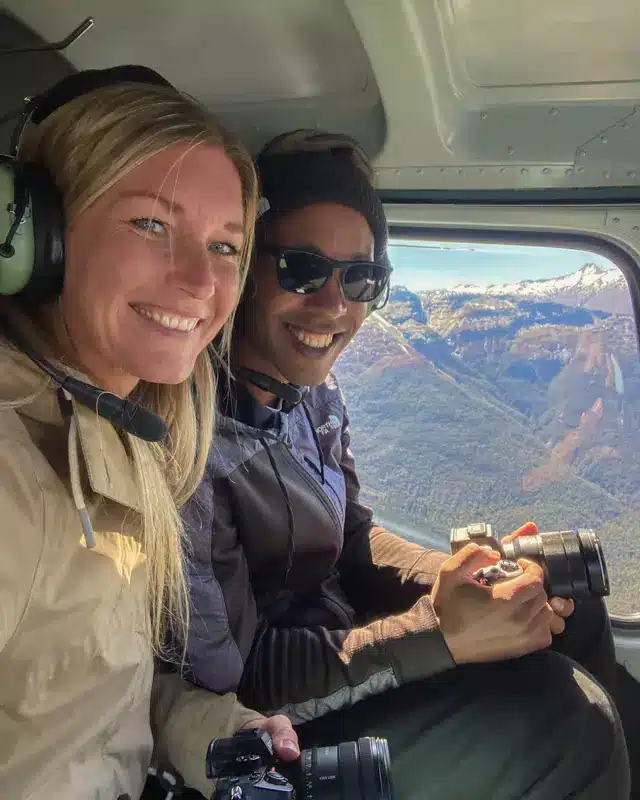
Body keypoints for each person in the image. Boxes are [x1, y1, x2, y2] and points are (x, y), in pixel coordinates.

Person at [178, 129, 629, 799]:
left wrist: (473, 578)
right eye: (302, 268)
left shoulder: (314, 396)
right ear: (244, 267)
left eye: (362, 277)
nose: (334, 306)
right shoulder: (190, 436)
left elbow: (353, 535)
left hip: (345, 649)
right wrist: (440, 632)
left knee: (566, 606)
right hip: (272, 727)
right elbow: (238, 678)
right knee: (570, 719)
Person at [0, 66, 302, 800]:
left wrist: (217, 732)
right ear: (40, 236)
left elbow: (88, 696)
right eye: (151, 225)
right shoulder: (12, 469)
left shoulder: (120, 428)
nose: (201, 281)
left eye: (226, 246)